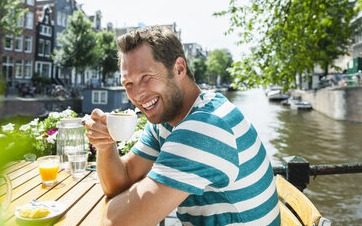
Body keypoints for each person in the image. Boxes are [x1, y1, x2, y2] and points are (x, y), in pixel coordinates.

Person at [85, 26, 280, 225]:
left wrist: (143, 192)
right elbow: (121, 180)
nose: (137, 95)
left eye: (146, 77)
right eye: (128, 84)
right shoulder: (167, 121)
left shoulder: (205, 127)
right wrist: (104, 145)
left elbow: (118, 222)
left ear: (179, 68)